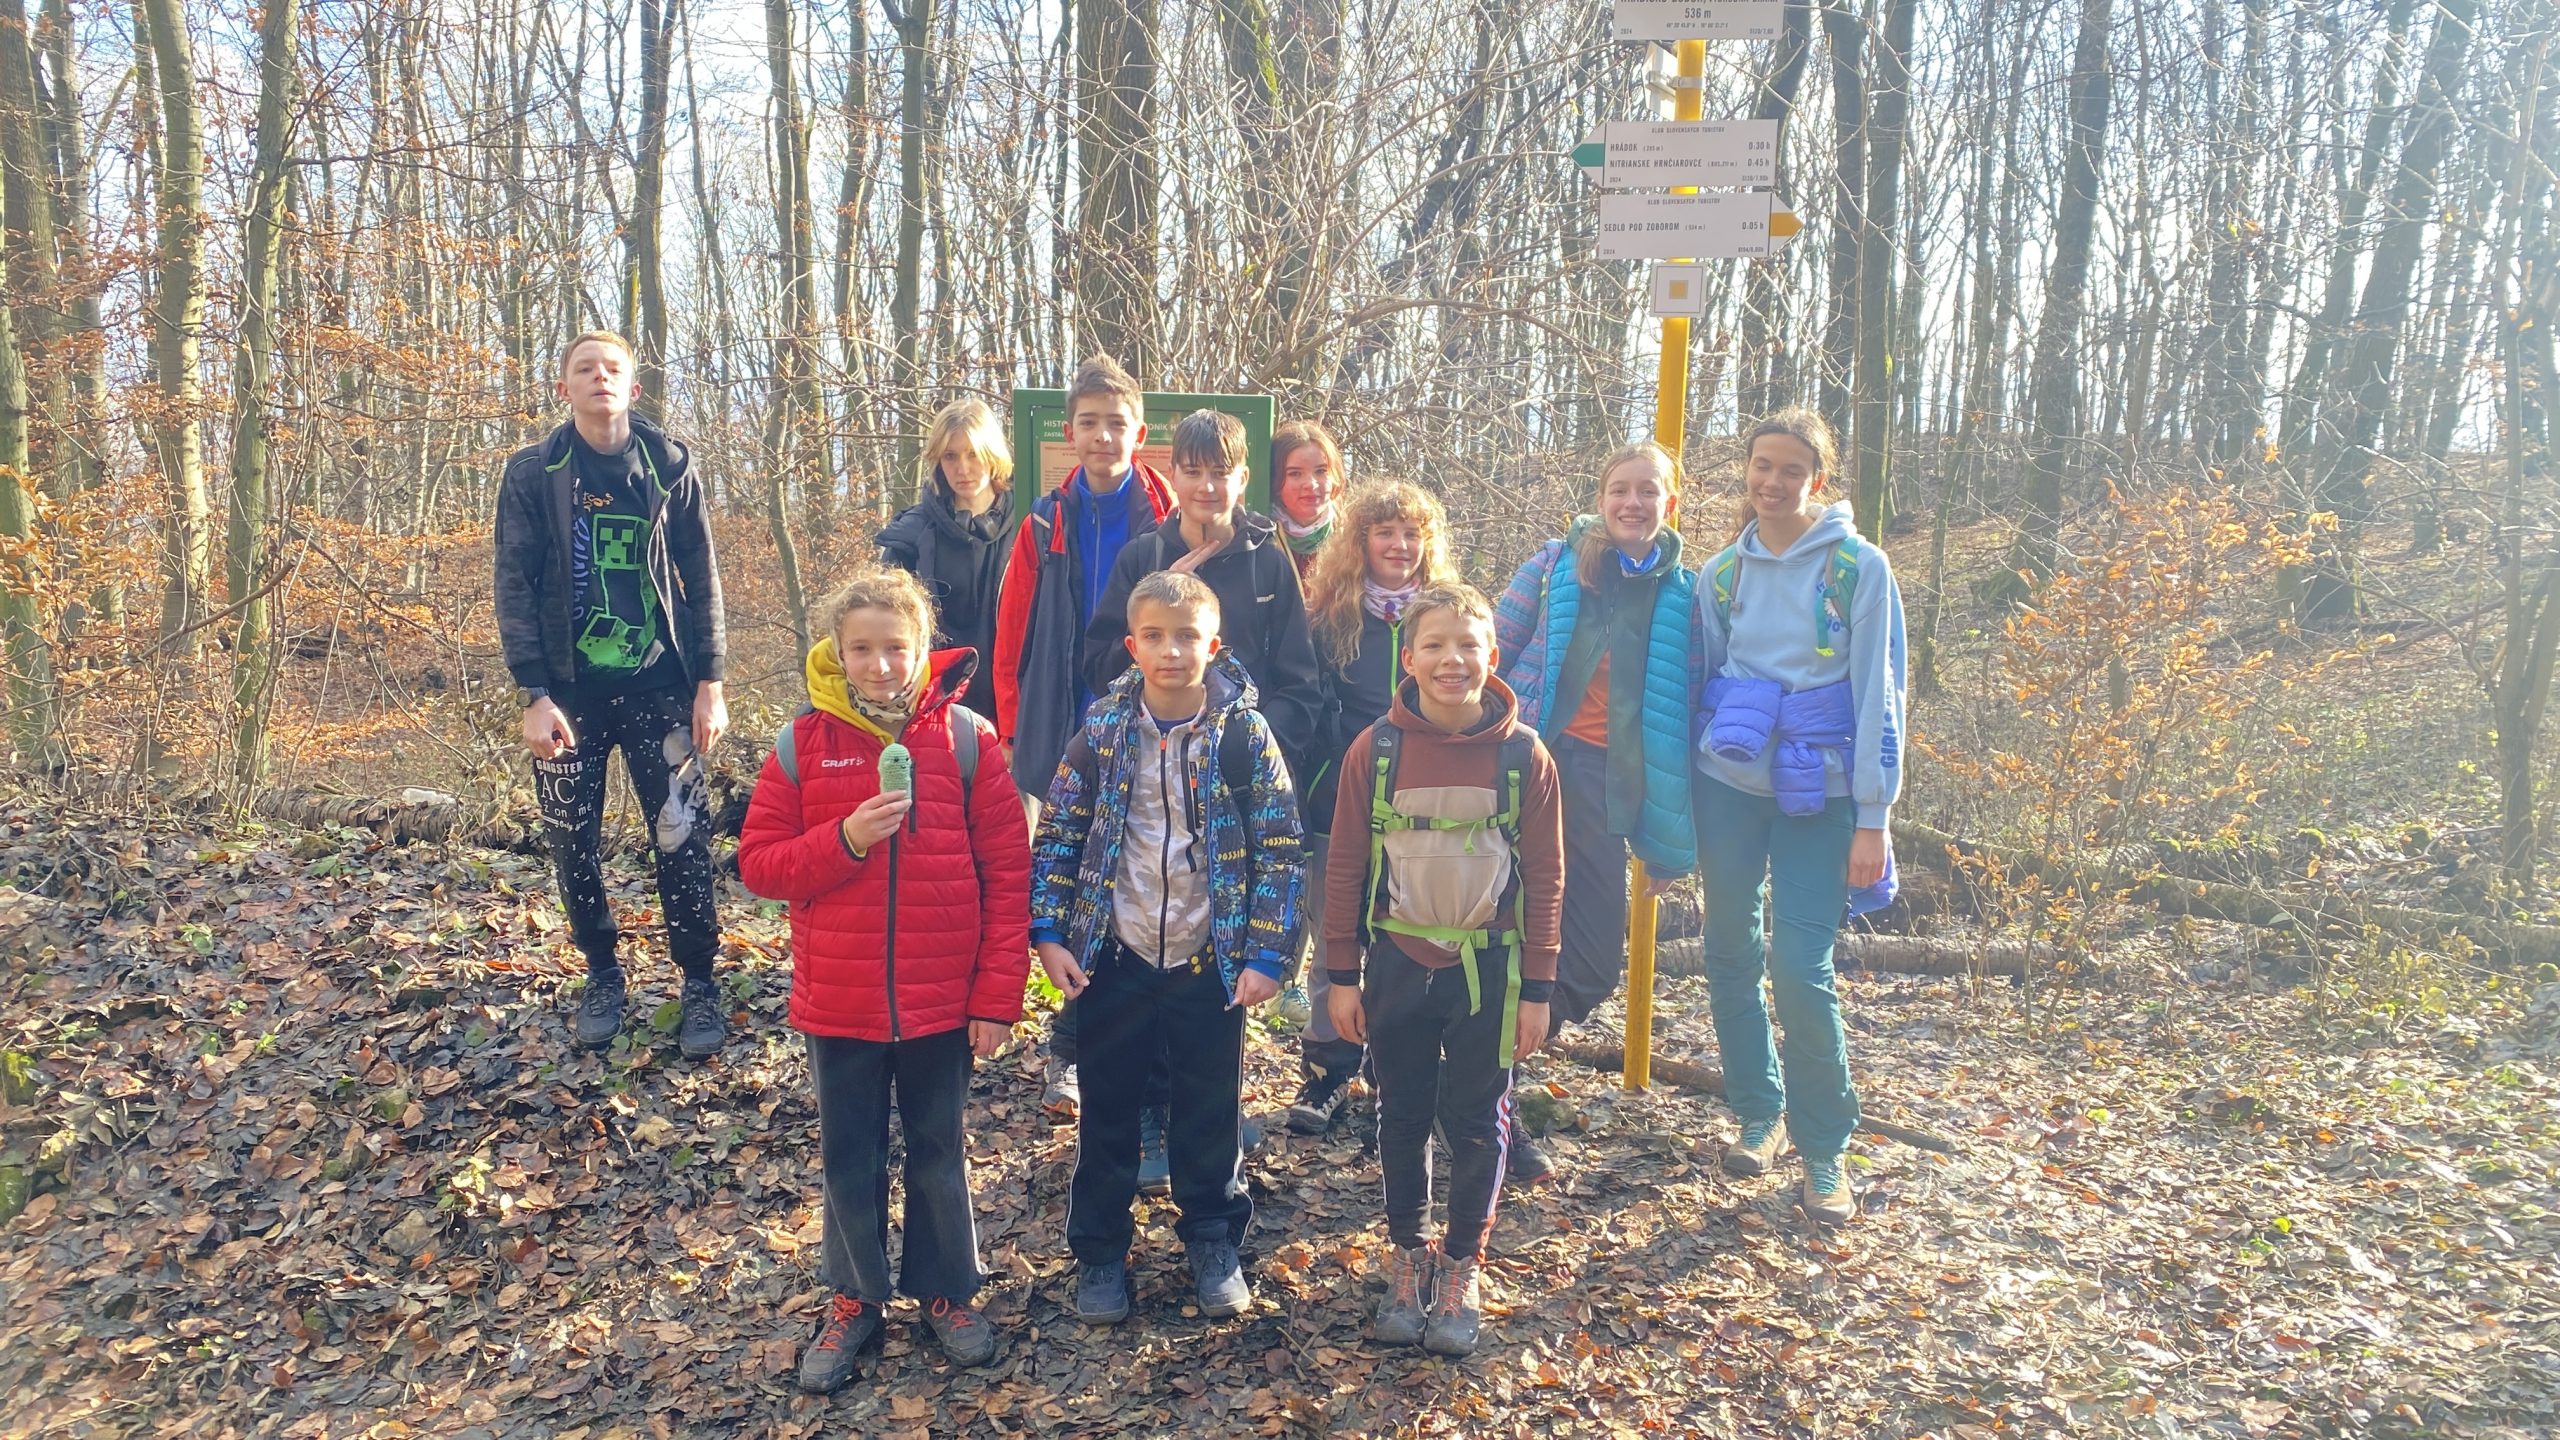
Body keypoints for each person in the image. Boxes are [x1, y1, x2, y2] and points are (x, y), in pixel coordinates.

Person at [736, 567, 1031, 1386]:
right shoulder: (803, 745)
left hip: (944, 1001)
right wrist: (847, 840)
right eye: (861, 649)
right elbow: (759, 865)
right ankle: (854, 1299)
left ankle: (946, 1291)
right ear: (837, 651)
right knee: (849, 1158)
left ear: (923, 648)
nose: (879, 665)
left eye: (895, 648)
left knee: (939, 1152)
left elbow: (1009, 874)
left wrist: (996, 997)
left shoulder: (967, 740)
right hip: (841, 1000)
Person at [1031, 571, 1304, 1326]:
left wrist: (1266, 954)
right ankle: (1100, 1252)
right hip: (1112, 957)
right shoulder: (1102, 731)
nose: (1171, 651)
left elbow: (1281, 847)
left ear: (1213, 647)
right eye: (1154, 636)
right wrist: (1050, 932)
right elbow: (1059, 832)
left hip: (1208, 960)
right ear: (1133, 645)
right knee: (1108, 1113)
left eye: (1187, 637)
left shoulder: (1243, 736)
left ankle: (1213, 1239)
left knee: (1208, 1111)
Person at [1322, 582, 1563, 1357]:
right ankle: (1408, 1253)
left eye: (1468, 645)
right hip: (1397, 961)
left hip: (1489, 968)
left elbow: (1547, 878)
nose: (1451, 660)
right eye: (1434, 645)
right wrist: (1340, 975)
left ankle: (1463, 1263)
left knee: (1478, 1117)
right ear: (1409, 657)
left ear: (1493, 655)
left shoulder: (1524, 755)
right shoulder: (1376, 751)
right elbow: (1344, 867)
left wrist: (1539, 990)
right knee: (1400, 1112)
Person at [1689, 409, 1905, 1227]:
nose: (1772, 482)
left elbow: (1880, 692)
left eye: (1790, 470)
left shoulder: (1858, 568)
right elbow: (1704, 681)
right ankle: (1759, 1112)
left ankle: (1824, 1149)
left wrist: (1874, 816)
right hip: (1729, 787)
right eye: (1761, 466)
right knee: (1728, 950)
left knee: (1800, 969)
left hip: (1825, 791)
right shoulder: (1721, 575)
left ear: (1819, 479)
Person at [494, 329, 731, 1060]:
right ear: (564, 388)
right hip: (569, 696)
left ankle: (699, 982)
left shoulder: (669, 466)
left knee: (682, 836)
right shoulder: (535, 473)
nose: (599, 378)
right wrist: (533, 692)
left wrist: (711, 682)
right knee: (573, 839)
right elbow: (514, 585)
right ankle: (601, 971)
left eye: (613, 368)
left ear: (633, 387)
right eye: (584, 368)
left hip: (662, 687)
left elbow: (702, 576)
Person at [990, 355, 1174, 1121]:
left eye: (1116, 423)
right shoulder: (1044, 520)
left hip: (1146, 723)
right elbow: (1012, 628)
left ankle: (1103, 1040)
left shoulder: (1165, 520)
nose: (1103, 436)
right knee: (1074, 876)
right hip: (1068, 722)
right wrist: (1011, 725)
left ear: (1139, 433)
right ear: (1070, 433)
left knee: (1134, 875)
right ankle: (1070, 1045)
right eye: (1089, 424)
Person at [1492, 441, 1700, 1030]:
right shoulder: (1555, 564)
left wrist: (1667, 843)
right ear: (1601, 498)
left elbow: (1680, 720)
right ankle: (1478, 1071)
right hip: (1527, 765)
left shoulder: (1684, 595)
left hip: (1605, 787)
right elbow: (1493, 653)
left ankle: (1507, 1049)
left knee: (1592, 964)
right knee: (1502, 927)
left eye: (1648, 491)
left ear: (1670, 504)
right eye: (1620, 490)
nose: (1632, 503)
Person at [1286, 480, 1462, 1136]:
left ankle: (1403, 1069)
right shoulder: (1327, 617)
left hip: (1425, 806)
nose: (1399, 545)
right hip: (1338, 800)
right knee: (1335, 933)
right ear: (1360, 542)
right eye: (1385, 532)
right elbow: (1305, 708)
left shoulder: (1445, 620)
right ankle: (1329, 1067)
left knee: (1412, 938)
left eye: (1412, 533)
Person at [1082, 408, 1325, 778]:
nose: (1206, 487)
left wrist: (1249, 749)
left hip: (1245, 774)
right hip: (1153, 769)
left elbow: (1301, 687)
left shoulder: (1270, 563)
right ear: (1173, 475)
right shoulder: (1142, 557)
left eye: (1220, 472)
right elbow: (1100, 669)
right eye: (1193, 471)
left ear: (1243, 478)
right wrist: (1158, 599)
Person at [878, 397, 1019, 719]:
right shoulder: (912, 536)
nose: (963, 469)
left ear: (992, 455)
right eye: (950, 456)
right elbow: (883, 625)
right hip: (932, 706)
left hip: (1014, 707)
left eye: (973, 454)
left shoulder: (1032, 524)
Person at [1269, 419, 1344, 583]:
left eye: (1321, 471)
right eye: (1295, 473)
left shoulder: (1350, 537)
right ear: (1275, 481)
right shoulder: (1260, 537)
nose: (1311, 484)